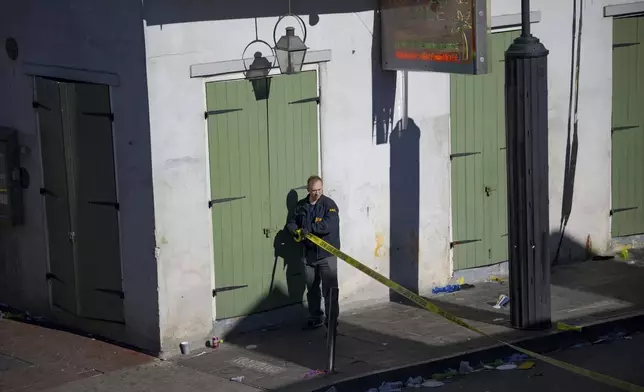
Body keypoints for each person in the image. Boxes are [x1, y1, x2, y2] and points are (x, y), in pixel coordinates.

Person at [287, 175, 341, 330]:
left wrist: (308, 229)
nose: (316, 193)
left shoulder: (329, 205)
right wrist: (294, 231)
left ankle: (332, 320)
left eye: (319, 190)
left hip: (326, 255)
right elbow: (291, 222)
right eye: (313, 190)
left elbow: (328, 225)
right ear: (308, 190)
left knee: (329, 290)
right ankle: (315, 316)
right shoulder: (301, 206)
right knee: (311, 288)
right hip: (309, 255)